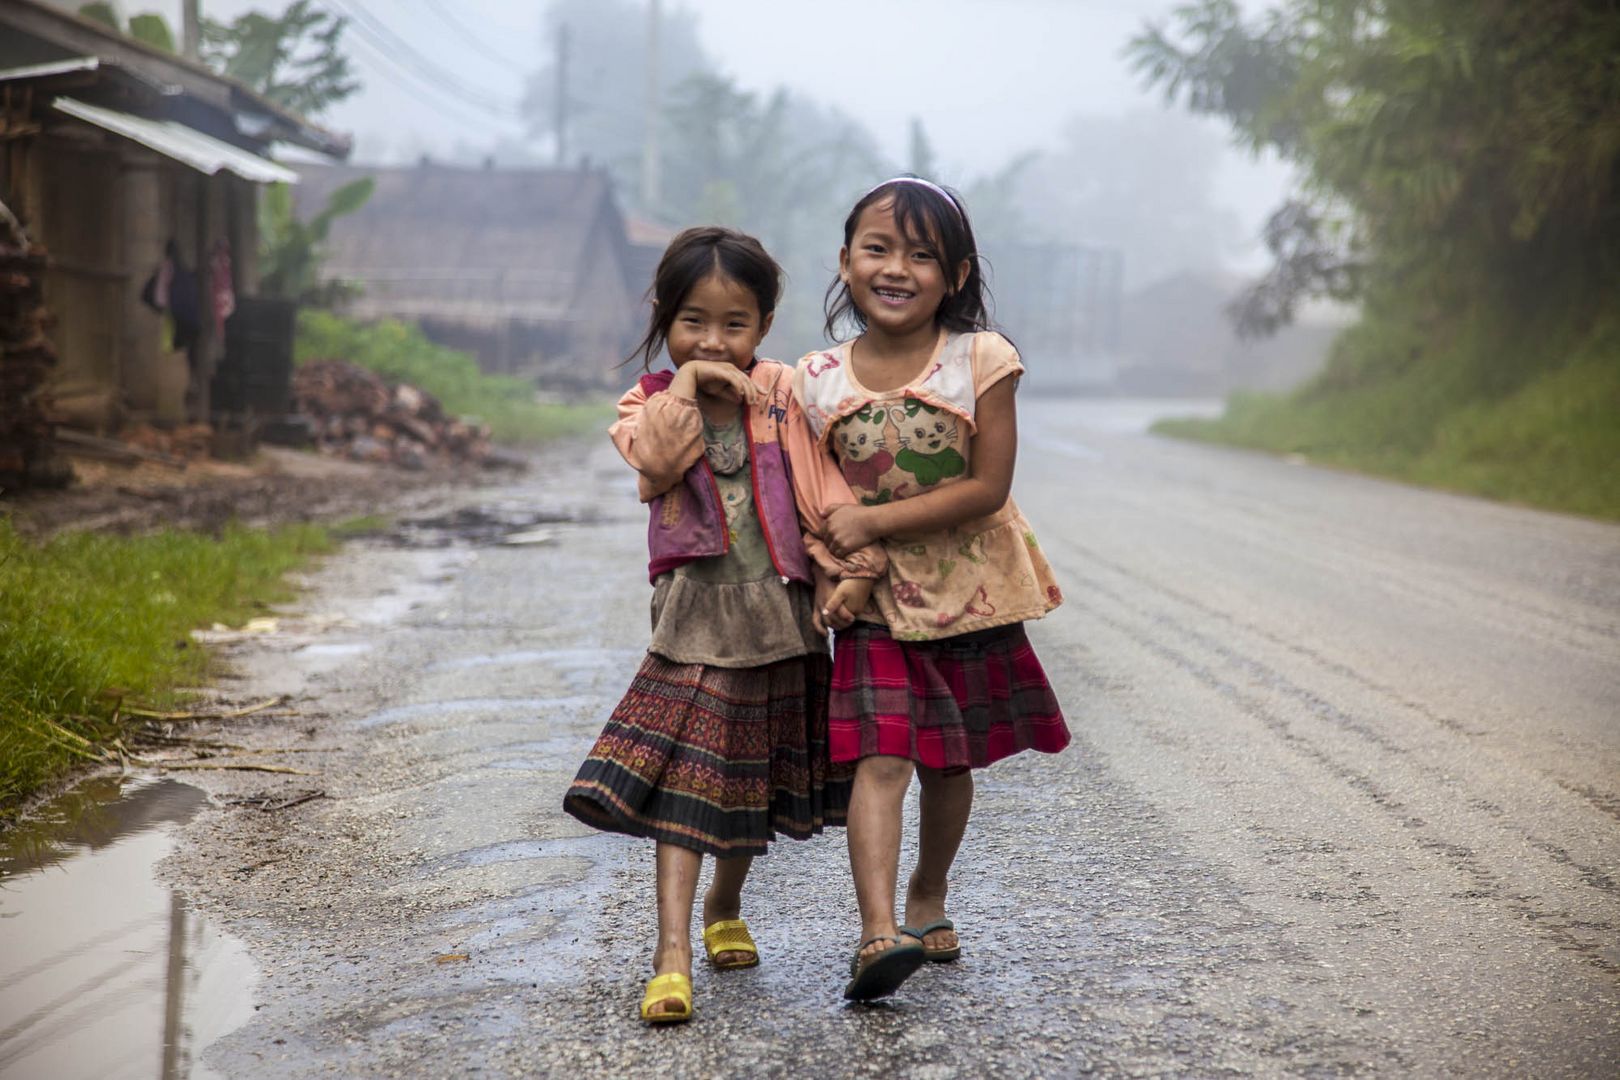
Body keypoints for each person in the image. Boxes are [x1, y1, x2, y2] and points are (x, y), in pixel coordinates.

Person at [562, 226, 884, 1024]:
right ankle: (672, 955)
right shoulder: (647, 403)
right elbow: (657, 463)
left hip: (780, 613)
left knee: (744, 781)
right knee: (687, 786)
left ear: (765, 327)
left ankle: (723, 903)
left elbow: (822, 484)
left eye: (733, 324)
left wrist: (849, 573)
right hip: (694, 618)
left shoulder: (784, 391)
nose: (713, 339)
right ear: (666, 320)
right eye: (692, 321)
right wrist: (690, 383)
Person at [793, 177, 1072, 1002]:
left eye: (922, 255)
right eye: (878, 248)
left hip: (969, 593)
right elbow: (810, 499)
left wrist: (876, 526)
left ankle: (928, 894)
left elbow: (988, 487)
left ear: (954, 276)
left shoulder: (982, 359)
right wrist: (827, 571)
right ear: (845, 262)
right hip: (873, 600)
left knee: (948, 765)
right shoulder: (814, 379)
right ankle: (877, 931)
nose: (897, 268)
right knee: (881, 759)